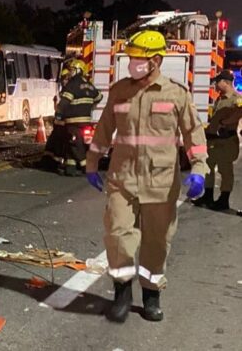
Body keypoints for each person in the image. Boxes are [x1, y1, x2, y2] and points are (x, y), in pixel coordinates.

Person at [85, 30, 208, 323]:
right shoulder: (119, 91)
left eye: (138, 59)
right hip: (122, 178)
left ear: (155, 60)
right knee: (117, 235)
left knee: (157, 241)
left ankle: (151, 294)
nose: (132, 63)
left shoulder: (176, 93)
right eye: (131, 58)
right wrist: (91, 163)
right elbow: (103, 130)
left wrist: (199, 170)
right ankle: (122, 292)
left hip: (161, 182)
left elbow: (193, 134)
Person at [192, 69, 242, 211]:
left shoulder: (235, 98)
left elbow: (240, 110)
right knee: (208, 168)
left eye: (218, 82)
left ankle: (223, 200)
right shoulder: (220, 98)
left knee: (225, 170)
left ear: (226, 82)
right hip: (214, 141)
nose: (215, 85)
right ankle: (207, 197)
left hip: (226, 141)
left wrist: (225, 123)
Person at [54, 59, 102, 176]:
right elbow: (99, 97)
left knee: (74, 144)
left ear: (79, 70)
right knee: (72, 143)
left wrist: (58, 114)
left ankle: (86, 166)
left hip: (73, 122)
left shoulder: (72, 85)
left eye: (72, 70)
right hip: (86, 121)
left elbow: (64, 102)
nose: (70, 73)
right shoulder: (89, 85)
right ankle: (70, 168)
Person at [44, 68, 72, 171]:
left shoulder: (69, 92)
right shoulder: (62, 92)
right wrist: (54, 103)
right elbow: (59, 108)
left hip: (64, 123)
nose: (64, 81)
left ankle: (59, 161)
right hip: (59, 123)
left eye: (65, 79)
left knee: (61, 144)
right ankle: (52, 161)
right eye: (63, 79)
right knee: (54, 142)